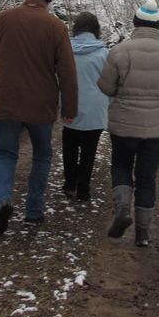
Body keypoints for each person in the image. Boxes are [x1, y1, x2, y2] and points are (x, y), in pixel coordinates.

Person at [0, 0, 78, 234]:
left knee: (6, 154)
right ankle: (34, 211)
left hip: (6, 102)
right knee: (43, 155)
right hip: (41, 106)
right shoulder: (56, 26)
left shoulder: (3, 19)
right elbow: (67, 71)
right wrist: (69, 108)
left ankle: (3, 199)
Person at [97, 0, 159, 247]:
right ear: (158, 25)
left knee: (122, 165)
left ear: (135, 23)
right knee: (147, 176)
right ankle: (143, 232)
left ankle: (123, 209)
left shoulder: (119, 51)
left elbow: (105, 86)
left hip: (125, 124)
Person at [61, 11, 109, 201]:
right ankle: (83, 188)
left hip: (70, 106)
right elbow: (111, 82)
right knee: (89, 150)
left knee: (69, 146)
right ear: (96, 30)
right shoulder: (105, 54)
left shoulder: (64, 51)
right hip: (96, 110)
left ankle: (69, 183)